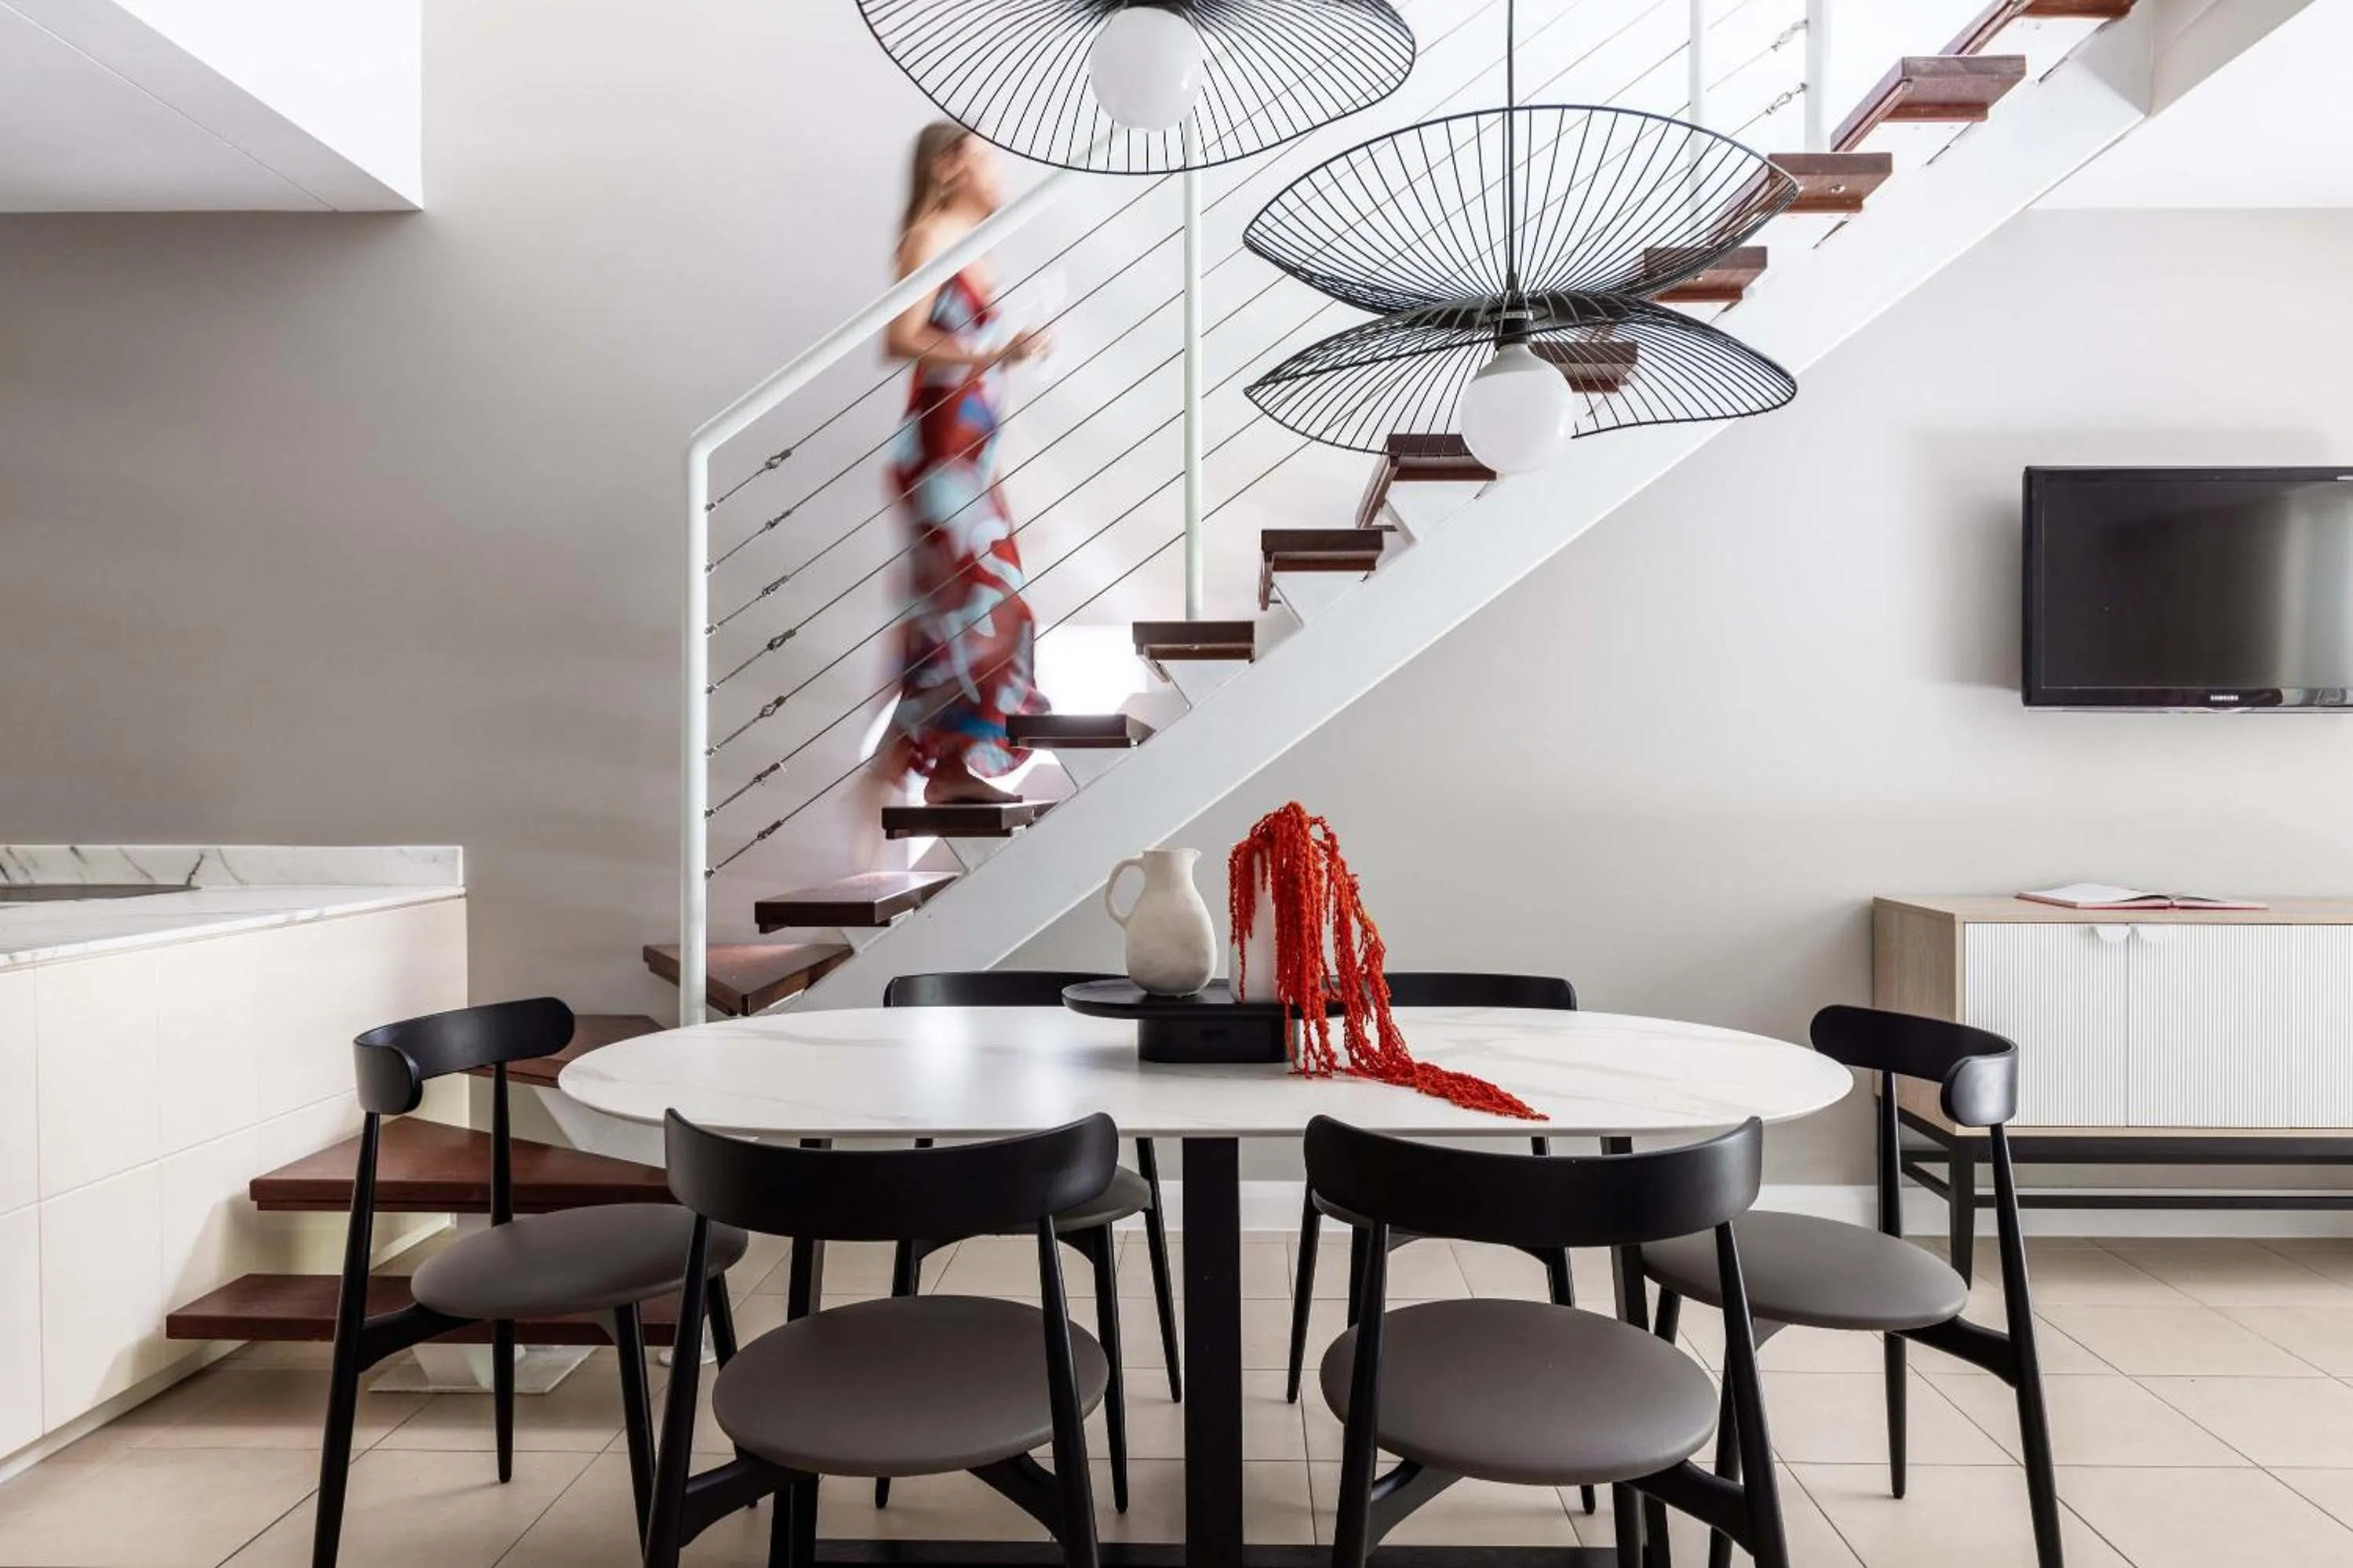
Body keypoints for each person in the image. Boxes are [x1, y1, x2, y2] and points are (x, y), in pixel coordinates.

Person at [869, 122, 1052, 809]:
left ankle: (926, 761)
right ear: (949, 167)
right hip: (939, 450)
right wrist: (991, 356)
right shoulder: (930, 238)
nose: (999, 175)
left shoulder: (976, 249)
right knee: (982, 605)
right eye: (987, 162)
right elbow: (901, 338)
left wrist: (1006, 351)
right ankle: (932, 761)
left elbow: (968, 350)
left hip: (973, 457)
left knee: (966, 605)